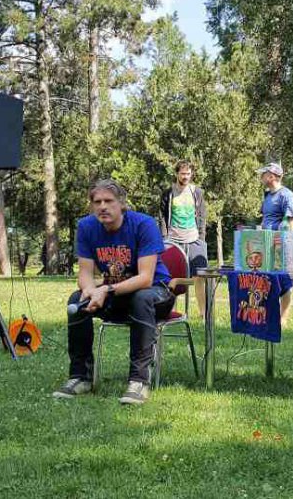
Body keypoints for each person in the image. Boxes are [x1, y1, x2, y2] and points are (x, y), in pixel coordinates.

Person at [53, 179, 174, 405]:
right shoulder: (87, 227)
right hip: (117, 295)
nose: (102, 207)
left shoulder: (144, 224)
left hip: (156, 293)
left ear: (122, 203)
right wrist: (90, 290)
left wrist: (106, 289)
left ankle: (138, 382)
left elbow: (145, 278)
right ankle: (80, 377)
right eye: (97, 202)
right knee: (76, 300)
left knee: (141, 297)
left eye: (108, 201)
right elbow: (85, 272)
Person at [159, 160, 207, 316]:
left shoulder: (197, 192)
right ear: (177, 174)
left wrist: (201, 237)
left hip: (193, 238)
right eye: (182, 173)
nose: (185, 176)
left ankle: (203, 312)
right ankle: (170, 310)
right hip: (173, 239)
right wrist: (165, 237)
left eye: (188, 173)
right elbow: (163, 216)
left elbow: (201, 216)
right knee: (170, 276)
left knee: (200, 275)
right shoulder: (169, 193)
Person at [257, 162, 293, 325]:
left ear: (271, 176)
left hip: (282, 245)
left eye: (263, 174)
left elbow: (292, 222)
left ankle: (284, 318)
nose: (261, 177)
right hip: (266, 245)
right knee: (268, 281)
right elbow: (265, 219)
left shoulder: (286, 195)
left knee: (285, 283)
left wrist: (289, 246)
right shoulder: (267, 196)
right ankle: (268, 315)